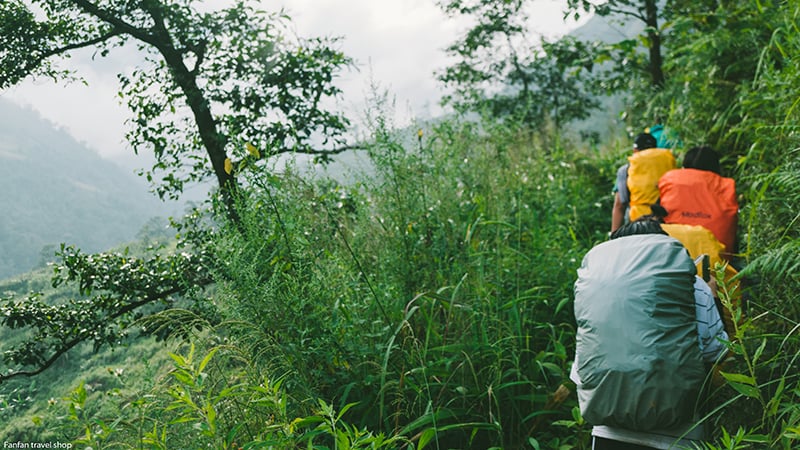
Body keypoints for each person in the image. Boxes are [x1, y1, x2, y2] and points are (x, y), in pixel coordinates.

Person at [571, 217, 728, 449]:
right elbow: (719, 352)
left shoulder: (595, 291)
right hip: (679, 433)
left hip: (609, 433)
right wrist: (715, 298)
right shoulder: (694, 286)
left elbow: (580, 372)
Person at [658, 145, 739, 260]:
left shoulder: (670, 179)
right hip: (718, 259)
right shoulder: (726, 185)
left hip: (673, 253)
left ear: (684, 166)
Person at [611, 133, 676, 233]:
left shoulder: (626, 169)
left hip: (638, 223)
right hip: (667, 221)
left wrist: (614, 236)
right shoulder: (669, 162)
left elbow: (619, 205)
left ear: (635, 150)